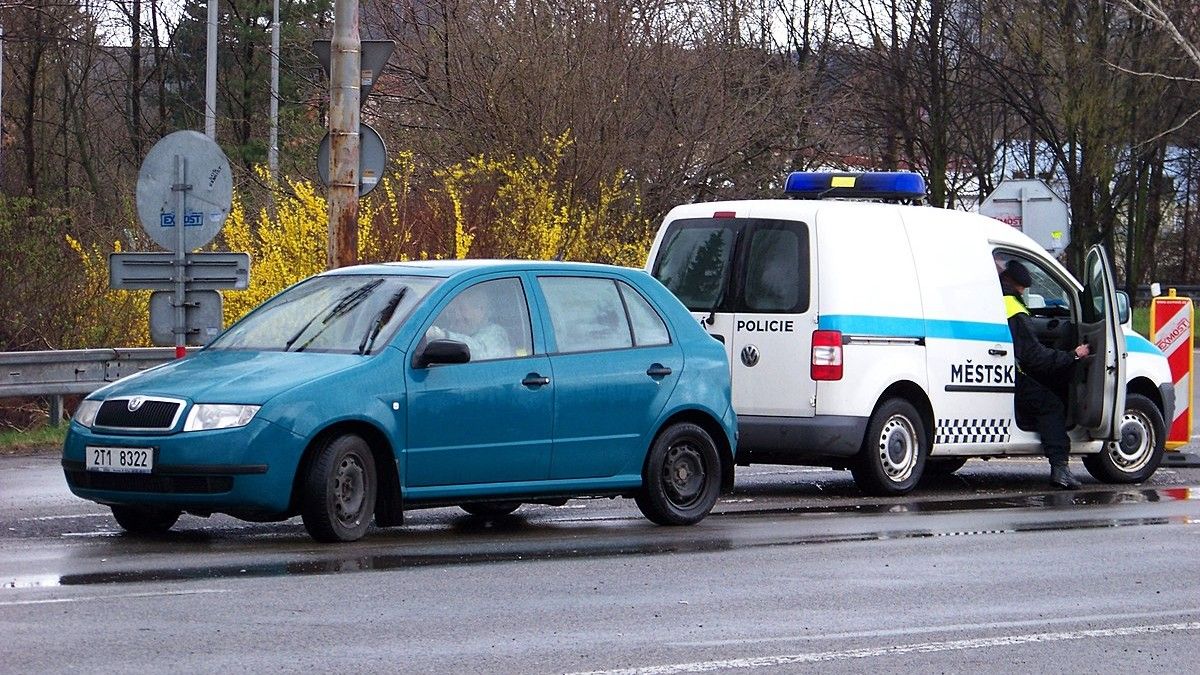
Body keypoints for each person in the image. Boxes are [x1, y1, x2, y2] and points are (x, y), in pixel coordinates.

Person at [1000, 260, 1091, 490]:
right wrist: (1073, 356)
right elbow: (1035, 358)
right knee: (1051, 405)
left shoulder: (999, 301)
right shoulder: (1015, 309)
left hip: (1006, 371)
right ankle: (1060, 469)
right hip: (1014, 375)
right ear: (1018, 286)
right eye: (1023, 288)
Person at [428, 295, 513, 361]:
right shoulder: (458, 329)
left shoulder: (496, 333)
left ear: (480, 310)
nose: (457, 316)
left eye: (461, 309)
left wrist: (441, 335)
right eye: (453, 310)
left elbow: (481, 353)